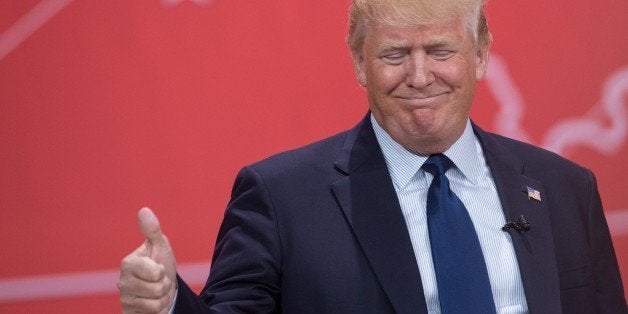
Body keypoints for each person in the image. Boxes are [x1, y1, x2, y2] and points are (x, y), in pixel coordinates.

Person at [117, 0, 627, 313]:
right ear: (359, 62)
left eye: (441, 51)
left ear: (482, 54)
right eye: (394, 55)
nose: (420, 76)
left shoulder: (564, 188)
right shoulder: (280, 199)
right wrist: (166, 307)